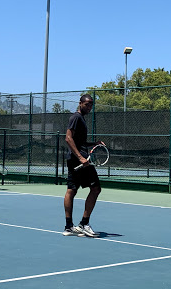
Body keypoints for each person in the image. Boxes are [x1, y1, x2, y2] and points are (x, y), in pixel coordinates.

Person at [63, 94, 104, 238]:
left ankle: (69, 227)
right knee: (96, 189)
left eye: (91, 104)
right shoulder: (76, 118)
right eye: (87, 104)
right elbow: (68, 138)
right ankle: (84, 224)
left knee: (71, 190)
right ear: (80, 103)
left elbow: (79, 142)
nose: (89, 107)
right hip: (79, 160)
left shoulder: (81, 119)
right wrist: (81, 158)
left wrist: (95, 143)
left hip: (75, 159)